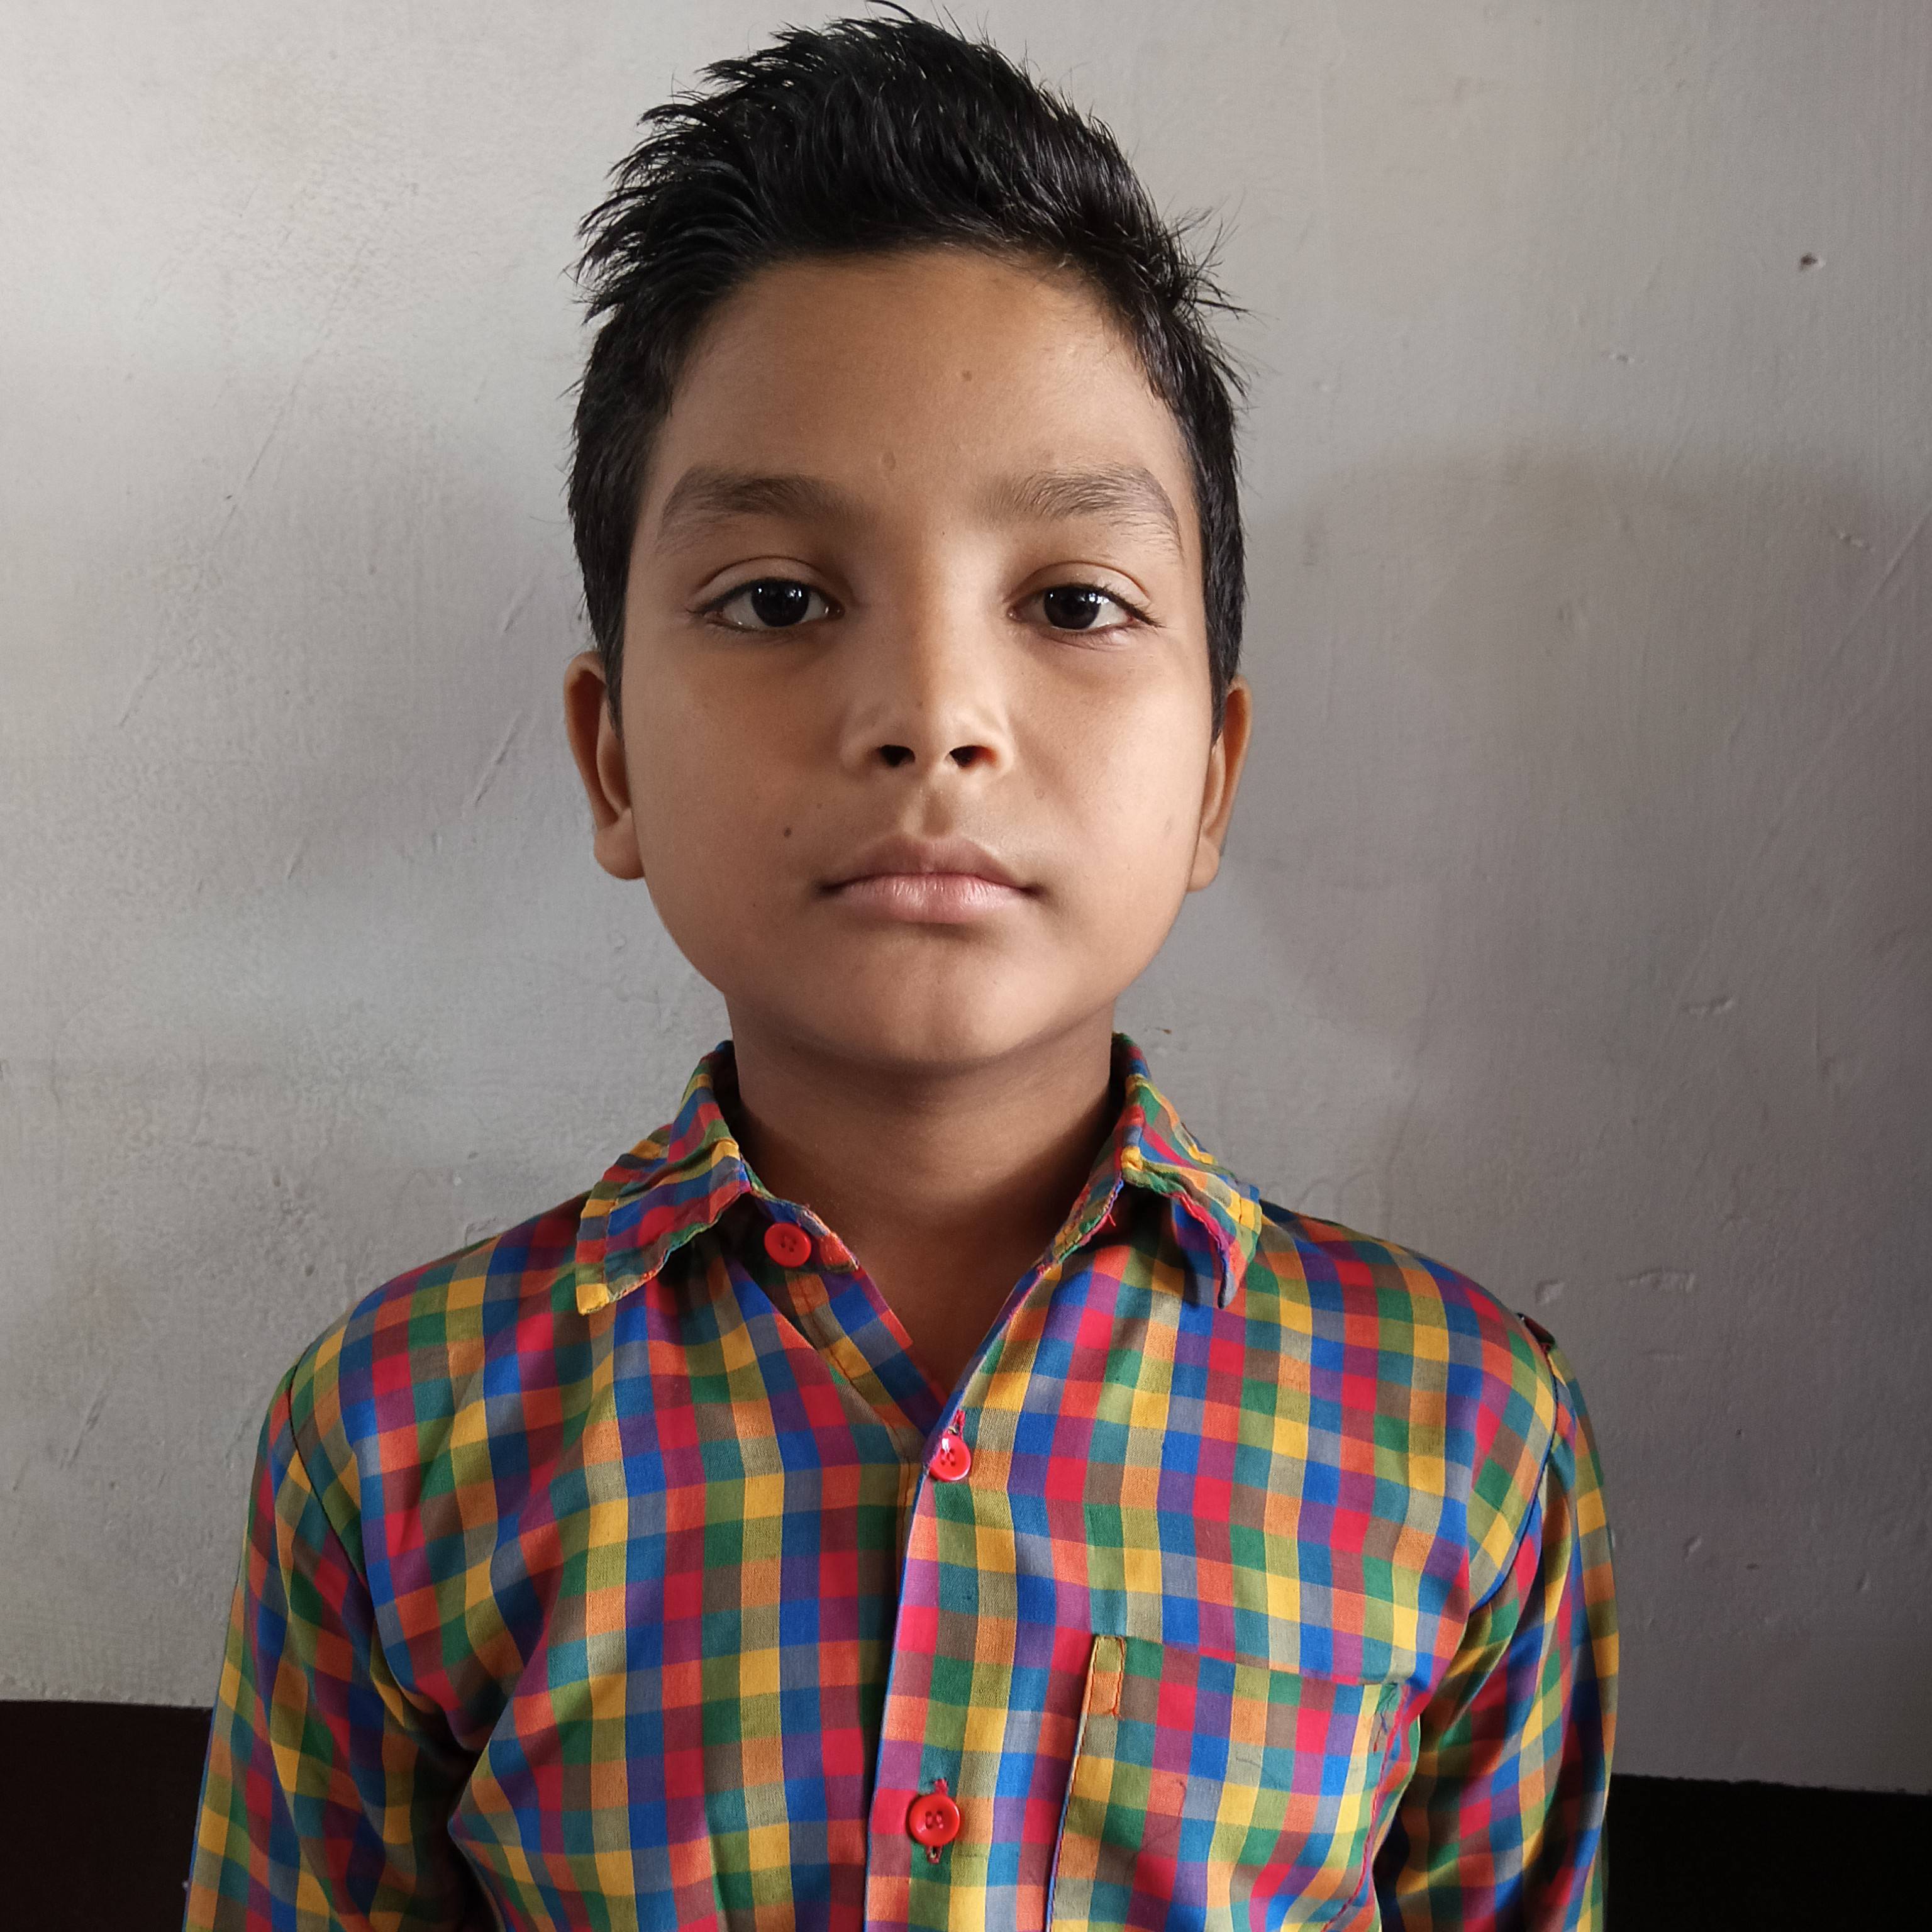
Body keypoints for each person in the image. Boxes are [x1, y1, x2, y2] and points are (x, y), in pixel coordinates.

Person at [184, 13, 1616, 1929]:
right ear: (614, 763)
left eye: (1074, 603)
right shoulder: (395, 1435)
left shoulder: (1459, 1429)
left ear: (1211, 776)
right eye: (779, 599)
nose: (935, 714)